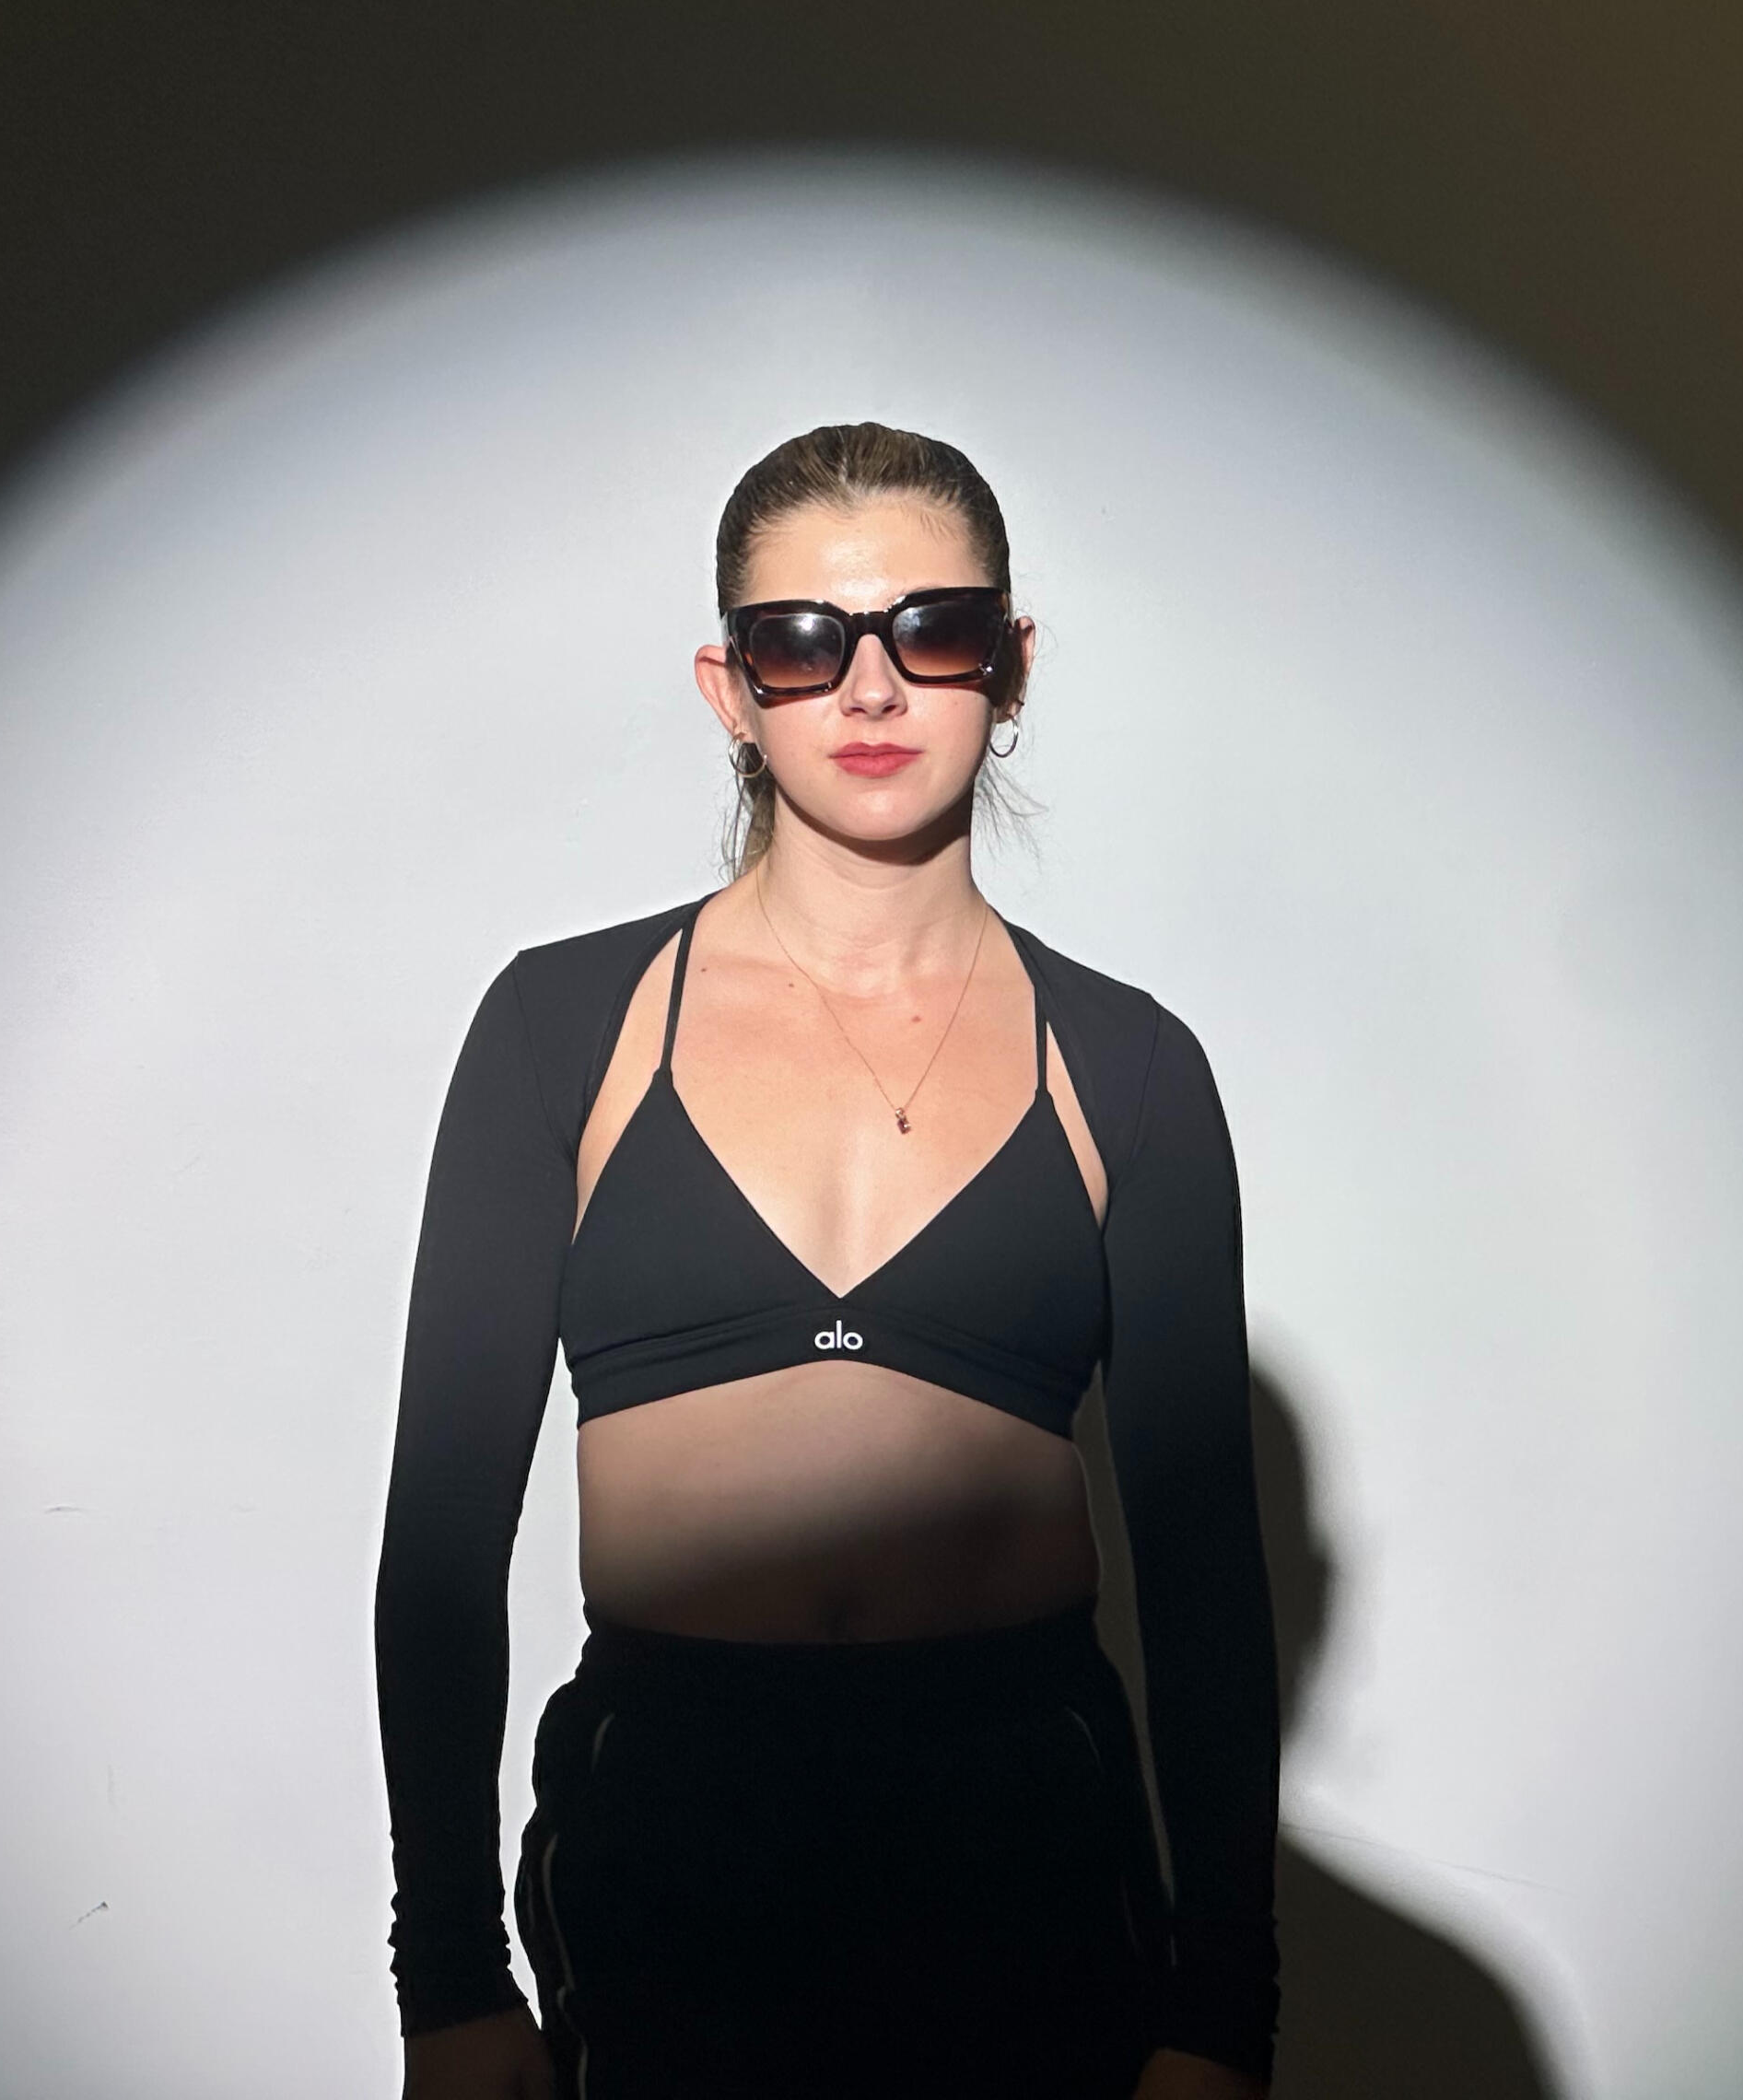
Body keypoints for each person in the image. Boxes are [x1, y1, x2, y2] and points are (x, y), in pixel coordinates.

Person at [375, 422, 1280, 2099]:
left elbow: (1207, 1577)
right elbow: (440, 1538)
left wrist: (1224, 2017)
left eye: (932, 630)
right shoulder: (563, 1028)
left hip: (1029, 1860)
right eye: (804, 642)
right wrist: (446, 1979)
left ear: (1011, 665)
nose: (871, 688)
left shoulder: (1131, 1066)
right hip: (664, 1855)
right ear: (732, 690)